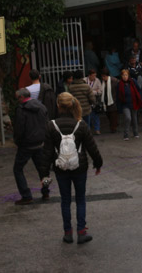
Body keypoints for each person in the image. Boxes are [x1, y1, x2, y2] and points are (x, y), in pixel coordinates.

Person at [39, 93, 103, 244]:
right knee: (80, 199)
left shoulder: (51, 126)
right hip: (79, 167)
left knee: (65, 200)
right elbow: (92, 147)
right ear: (73, 104)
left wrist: (44, 174)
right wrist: (98, 164)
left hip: (61, 168)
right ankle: (81, 232)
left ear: (58, 106)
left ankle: (67, 233)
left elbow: (47, 152)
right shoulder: (81, 125)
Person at [12, 88, 50, 205]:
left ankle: (26, 195)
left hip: (26, 145)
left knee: (17, 169)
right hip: (40, 142)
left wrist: (17, 141)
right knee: (43, 169)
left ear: (21, 97)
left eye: (17, 98)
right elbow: (47, 123)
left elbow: (19, 129)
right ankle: (46, 191)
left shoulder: (21, 110)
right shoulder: (41, 106)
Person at [117, 69, 142, 140]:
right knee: (128, 118)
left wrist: (139, 98)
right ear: (121, 76)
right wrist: (119, 107)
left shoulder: (133, 81)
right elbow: (118, 96)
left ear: (128, 76)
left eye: (126, 75)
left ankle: (136, 133)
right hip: (125, 104)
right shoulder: (120, 84)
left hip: (134, 103)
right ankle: (126, 134)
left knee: (134, 119)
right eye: (123, 75)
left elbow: (138, 89)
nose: (125, 77)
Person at [100, 68, 119, 133]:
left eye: (104, 76)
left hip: (113, 100)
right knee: (108, 114)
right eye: (102, 76)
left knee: (113, 115)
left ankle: (113, 127)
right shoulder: (102, 82)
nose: (103, 78)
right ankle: (114, 125)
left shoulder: (114, 81)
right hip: (105, 102)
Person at [86, 69, 103, 135]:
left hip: (94, 101)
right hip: (87, 101)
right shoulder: (84, 80)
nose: (94, 77)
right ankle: (88, 130)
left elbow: (100, 91)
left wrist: (93, 92)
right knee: (88, 116)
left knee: (96, 115)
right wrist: (94, 91)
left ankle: (97, 129)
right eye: (93, 76)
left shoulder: (97, 80)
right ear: (89, 75)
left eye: (95, 75)